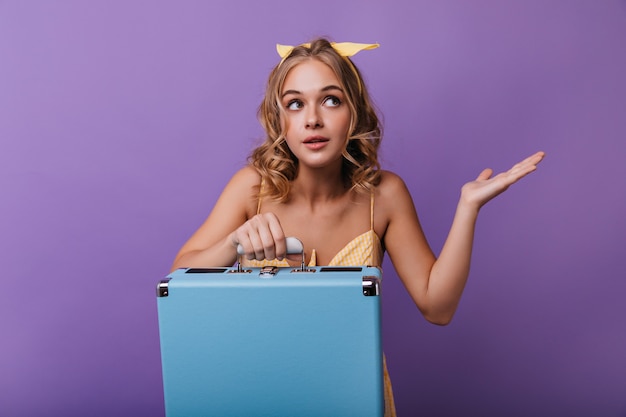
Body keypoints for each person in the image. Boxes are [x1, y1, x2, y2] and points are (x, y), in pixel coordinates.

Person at [171, 38, 545, 416]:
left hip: (354, 396)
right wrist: (234, 244)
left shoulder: (384, 195)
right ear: (280, 119)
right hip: (263, 389)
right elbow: (178, 278)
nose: (312, 118)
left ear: (354, 113)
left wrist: (468, 208)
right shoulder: (251, 188)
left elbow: (438, 307)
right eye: (295, 103)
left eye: (331, 100)